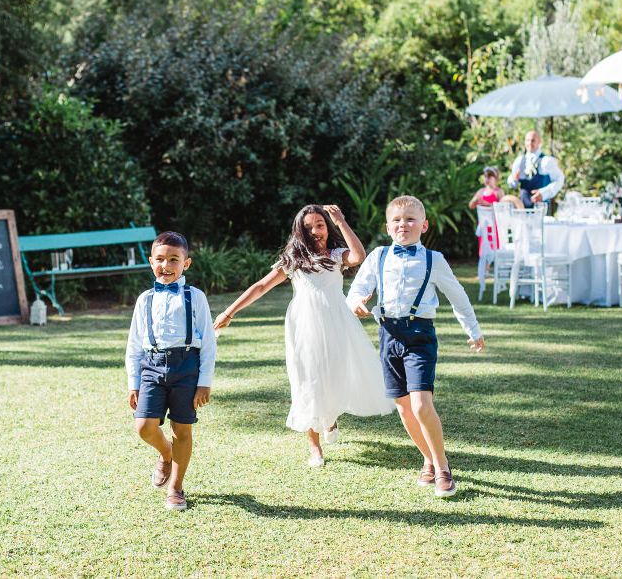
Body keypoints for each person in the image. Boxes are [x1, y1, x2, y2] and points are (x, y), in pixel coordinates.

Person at [213, 205, 393, 468]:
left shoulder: (335, 254)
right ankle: (314, 447)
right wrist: (229, 312)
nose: (314, 231)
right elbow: (262, 285)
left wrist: (341, 221)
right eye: (308, 227)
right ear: (300, 231)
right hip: (304, 324)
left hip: (337, 323)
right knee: (308, 381)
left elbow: (358, 256)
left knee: (335, 376)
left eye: (319, 225)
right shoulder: (293, 259)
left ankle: (329, 419)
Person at [347, 195, 485, 498]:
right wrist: (356, 301)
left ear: (423, 225)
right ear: (387, 226)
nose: (403, 225)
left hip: (419, 334)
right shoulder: (379, 256)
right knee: (404, 407)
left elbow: (457, 295)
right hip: (387, 335)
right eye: (397, 220)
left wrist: (473, 330)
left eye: (410, 219)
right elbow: (357, 289)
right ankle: (427, 458)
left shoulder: (434, 259)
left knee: (422, 404)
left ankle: (443, 466)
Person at [126, 231, 217, 511]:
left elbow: (209, 343)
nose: (166, 266)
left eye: (173, 260)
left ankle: (176, 488)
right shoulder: (145, 300)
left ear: (185, 264)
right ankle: (166, 453)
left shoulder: (196, 297)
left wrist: (204, 382)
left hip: (186, 367)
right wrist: (134, 382)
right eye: (160, 260)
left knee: (182, 429)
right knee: (143, 427)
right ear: (151, 261)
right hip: (151, 367)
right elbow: (134, 343)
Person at [507, 130, 564, 208]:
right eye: (527, 140)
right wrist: (514, 179)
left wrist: (544, 193)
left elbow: (560, 179)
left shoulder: (546, 161)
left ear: (539, 142)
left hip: (542, 209)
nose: (530, 143)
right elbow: (512, 184)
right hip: (523, 209)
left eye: (533, 140)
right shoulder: (519, 161)